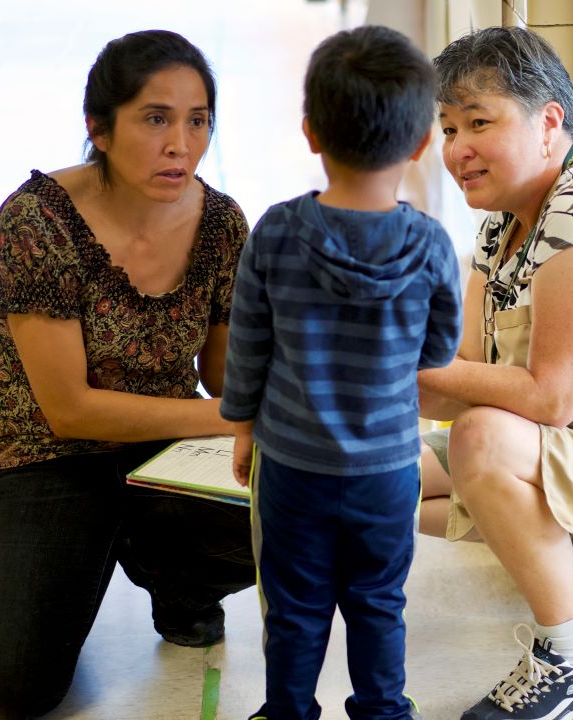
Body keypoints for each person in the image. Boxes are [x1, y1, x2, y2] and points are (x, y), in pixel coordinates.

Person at [0, 30, 256, 719]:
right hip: (49, 457)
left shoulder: (220, 222)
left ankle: (176, 581)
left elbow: (222, 375)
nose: (181, 143)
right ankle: (89, 544)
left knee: (307, 512)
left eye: (198, 120)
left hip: (166, 455)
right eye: (156, 118)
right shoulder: (36, 220)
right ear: (99, 127)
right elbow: (70, 410)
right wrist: (227, 416)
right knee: (6, 691)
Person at [220, 25, 462, 720]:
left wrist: (242, 427)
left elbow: (249, 346)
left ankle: (288, 710)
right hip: (387, 469)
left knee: (294, 606)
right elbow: (439, 350)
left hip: (292, 463)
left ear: (310, 133)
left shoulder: (274, 232)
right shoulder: (430, 246)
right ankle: (383, 710)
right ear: (421, 144)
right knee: (379, 602)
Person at [416, 26, 573, 720]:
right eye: (449, 126)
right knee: (367, 480)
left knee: (485, 442)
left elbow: (548, 399)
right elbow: (453, 376)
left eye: (478, 122)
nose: (457, 149)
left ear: (550, 122)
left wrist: (425, 367)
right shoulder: (503, 224)